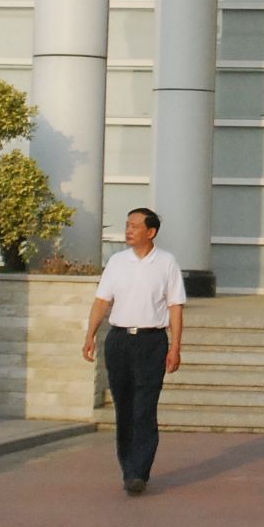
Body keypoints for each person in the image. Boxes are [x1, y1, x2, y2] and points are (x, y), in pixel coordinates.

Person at [82, 208, 185, 495]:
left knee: (144, 407)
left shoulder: (166, 263)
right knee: (124, 406)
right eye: (127, 225)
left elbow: (175, 306)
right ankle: (128, 468)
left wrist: (176, 346)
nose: (129, 230)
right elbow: (102, 301)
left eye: (135, 226)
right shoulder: (117, 262)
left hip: (152, 341)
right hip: (119, 340)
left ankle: (139, 470)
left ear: (151, 232)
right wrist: (90, 335)